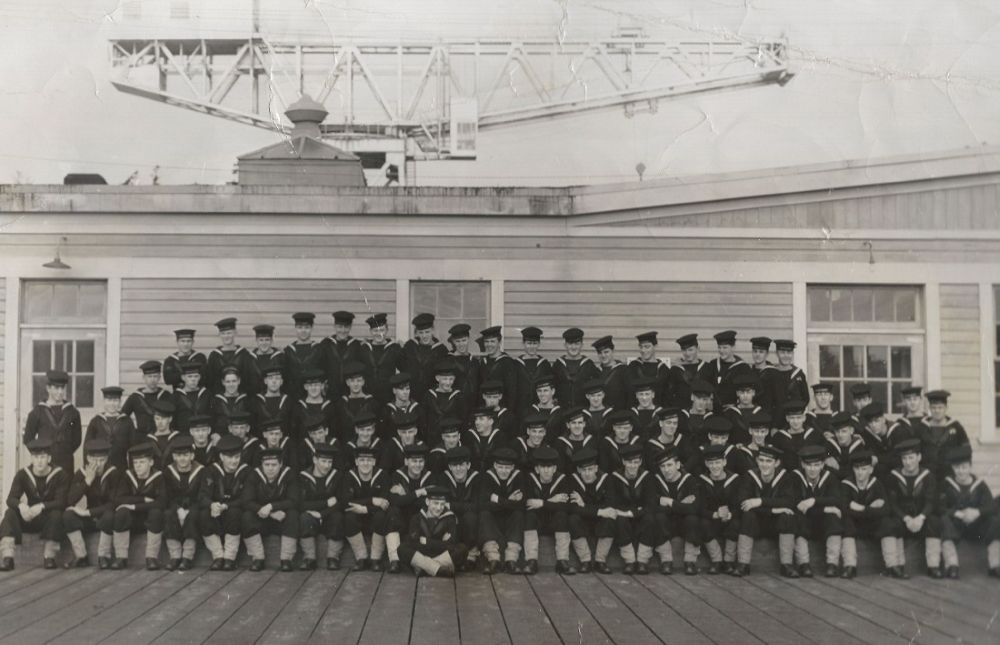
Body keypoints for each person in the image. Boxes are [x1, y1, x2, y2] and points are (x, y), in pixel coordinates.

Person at [0, 438, 68, 571]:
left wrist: (42, 506)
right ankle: (8, 557)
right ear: (31, 458)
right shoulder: (23, 474)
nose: (39, 461)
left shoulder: (60, 475)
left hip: (47, 520)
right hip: (29, 517)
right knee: (10, 513)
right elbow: (10, 499)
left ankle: (49, 557)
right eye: (36, 457)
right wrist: (22, 506)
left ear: (49, 458)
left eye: (43, 457)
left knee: (57, 514)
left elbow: (61, 502)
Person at [733, 444, 796, 577]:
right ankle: (743, 564)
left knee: (787, 515)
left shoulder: (785, 477)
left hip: (775, 525)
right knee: (748, 515)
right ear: (757, 461)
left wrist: (760, 501)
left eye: (769, 461)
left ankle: (786, 565)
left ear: (776, 463)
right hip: (755, 524)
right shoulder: (750, 476)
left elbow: (789, 502)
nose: (764, 464)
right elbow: (743, 503)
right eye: (761, 460)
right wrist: (772, 510)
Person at [938, 444, 999, 579]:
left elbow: (991, 506)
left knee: (994, 521)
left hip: (976, 527)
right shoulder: (946, 484)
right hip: (956, 526)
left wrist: (977, 512)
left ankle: (995, 564)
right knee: (943, 520)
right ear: (952, 468)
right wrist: (958, 514)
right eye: (957, 468)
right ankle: (952, 564)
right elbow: (940, 506)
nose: (961, 471)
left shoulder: (980, 485)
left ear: (970, 467)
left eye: (964, 467)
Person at [838, 449, 898, 579]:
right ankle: (850, 566)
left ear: (871, 469)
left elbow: (886, 509)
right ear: (853, 469)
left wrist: (862, 508)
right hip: (854, 526)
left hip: (872, 527)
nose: (860, 472)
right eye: (857, 469)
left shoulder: (877, 484)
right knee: (846, 521)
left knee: (887, 522)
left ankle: (892, 565)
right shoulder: (846, 484)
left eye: (864, 469)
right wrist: (872, 509)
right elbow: (844, 510)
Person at [886, 438, 941, 578]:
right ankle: (896, 565)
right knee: (890, 524)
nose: (908, 462)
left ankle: (933, 565)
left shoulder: (928, 476)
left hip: (921, 519)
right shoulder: (894, 476)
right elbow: (893, 503)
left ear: (919, 457)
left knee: (934, 522)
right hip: (903, 519)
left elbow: (930, 501)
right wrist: (906, 518)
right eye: (904, 458)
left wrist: (921, 518)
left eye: (911, 457)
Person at [62, 439, 119, 568]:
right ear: (88, 458)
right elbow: (70, 500)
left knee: (110, 514)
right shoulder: (81, 473)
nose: (98, 464)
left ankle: (103, 556)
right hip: (90, 520)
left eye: (101, 460)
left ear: (107, 459)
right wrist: (87, 481)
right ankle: (81, 556)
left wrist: (88, 512)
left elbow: (113, 503)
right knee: (68, 515)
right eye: (94, 460)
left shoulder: (113, 473)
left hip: (106, 518)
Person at [241, 447, 300, 571]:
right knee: (247, 516)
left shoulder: (289, 474)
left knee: (293, 514)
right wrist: (270, 513)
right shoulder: (254, 475)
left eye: (274, 465)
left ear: (281, 464)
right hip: (262, 519)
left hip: (281, 520)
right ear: (262, 464)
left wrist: (271, 506)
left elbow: (294, 500)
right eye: (266, 465)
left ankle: (286, 559)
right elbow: (246, 501)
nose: (270, 468)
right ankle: (258, 558)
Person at [790, 445, 844, 578]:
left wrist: (814, 500)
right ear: (803, 464)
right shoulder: (795, 477)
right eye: (809, 465)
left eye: (816, 465)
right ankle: (804, 564)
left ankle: (832, 564)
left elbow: (837, 500)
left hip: (823, 525)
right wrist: (825, 508)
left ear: (822, 465)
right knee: (797, 518)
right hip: (804, 523)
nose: (812, 469)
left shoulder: (830, 477)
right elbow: (797, 505)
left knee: (833, 517)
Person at [198, 434, 250, 570]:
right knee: (203, 514)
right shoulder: (211, 470)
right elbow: (203, 495)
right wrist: (212, 504)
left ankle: (229, 557)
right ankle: (218, 556)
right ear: (221, 457)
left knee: (234, 513)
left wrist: (227, 505)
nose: (234, 461)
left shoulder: (246, 471)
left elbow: (246, 498)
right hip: (216, 511)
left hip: (234, 511)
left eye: (237, 457)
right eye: (230, 457)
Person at [647, 447, 702, 575]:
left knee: (692, 518)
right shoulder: (655, 481)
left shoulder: (690, 480)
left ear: (678, 465)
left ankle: (690, 561)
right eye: (662, 466)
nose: (666, 470)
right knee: (659, 517)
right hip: (666, 526)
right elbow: (651, 507)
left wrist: (670, 502)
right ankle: (666, 561)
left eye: (669, 465)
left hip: (684, 526)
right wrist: (681, 506)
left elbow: (694, 509)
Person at [112, 442, 166, 570]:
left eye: (142, 462)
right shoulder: (128, 476)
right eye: (135, 462)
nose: (138, 466)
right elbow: (118, 499)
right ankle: (121, 557)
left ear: (151, 462)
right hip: (132, 520)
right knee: (122, 512)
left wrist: (134, 507)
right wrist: (143, 499)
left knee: (156, 512)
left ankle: (151, 557)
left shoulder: (158, 477)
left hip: (150, 520)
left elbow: (162, 502)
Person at [522, 445, 573, 574]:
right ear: (537, 469)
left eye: (549, 467)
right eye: (542, 467)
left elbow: (566, 506)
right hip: (536, 523)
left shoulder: (562, 479)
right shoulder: (529, 479)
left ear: (554, 468)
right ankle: (531, 561)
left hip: (554, 523)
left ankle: (562, 560)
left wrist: (542, 503)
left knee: (562, 514)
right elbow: (527, 503)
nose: (546, 471)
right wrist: (551, 501)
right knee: (530, 515)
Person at [567, 447, 618, 574]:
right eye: (584, 470)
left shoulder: (606, 479)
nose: (587, 473)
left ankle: (601, 561)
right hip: (583, 522)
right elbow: (572, 508)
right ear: (578, 470)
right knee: (573, 518)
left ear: (596, 468)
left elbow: (610, 506)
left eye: (590, 469)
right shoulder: (573, 480)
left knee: (610, 519)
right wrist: (598, 511)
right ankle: (585, 560)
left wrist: (583, 505)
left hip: (601, 522)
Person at [385, 444, 434, 573]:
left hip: (419, 519)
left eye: (420, 461)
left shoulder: (429, 476)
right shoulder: (398, 475)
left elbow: (428, 504)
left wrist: (406, 497)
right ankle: (394, 560)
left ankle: (418, 561)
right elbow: (395, 501)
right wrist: (418, 493)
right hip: (402, 519)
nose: (417, 465)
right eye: (414, 461)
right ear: (406, 461)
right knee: (392, 512)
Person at [23, 369, 83, 475]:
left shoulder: (72, 412)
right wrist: (40, 455)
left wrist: (65, 451)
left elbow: (77, 439)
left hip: (66, 462)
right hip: (45, 464)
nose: (60, 392)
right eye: (56, 388)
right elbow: (28, 438)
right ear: (48, 388)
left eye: (62, 388)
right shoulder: (38, 411)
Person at [398, 484, 465, 577]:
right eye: (435, 503)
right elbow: (414, 542)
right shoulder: (416, 518)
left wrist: (425, 541)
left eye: (442, 504)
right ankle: (438, 569)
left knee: (462, 549)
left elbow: (451, 544)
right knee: (402, 548)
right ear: (427, 502)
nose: (439, 508)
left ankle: (425, 569)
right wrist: (440, 543)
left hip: (439, 555)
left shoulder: (450, 518)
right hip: (422, 554)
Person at [342, 445, 391, 571]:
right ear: (356, 462)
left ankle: (376, 558)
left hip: (374, 518)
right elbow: (346, 502)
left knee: (382, 515)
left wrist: (365, 509)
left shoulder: (382, 475)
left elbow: (385, 503)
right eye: (362, 460)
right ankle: (361, 558)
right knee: (349, 516)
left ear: (374, 462)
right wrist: (371, 500)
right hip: (357, 520)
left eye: (369, 460)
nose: (365, 463)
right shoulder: (349, 476)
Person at [298, 443, 346, 570]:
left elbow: (341, 502)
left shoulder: (337, 476)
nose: (327, 465)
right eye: (323, 461)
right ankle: (309, 558)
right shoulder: (304, 477)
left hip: (329, 515)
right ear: (315, 460)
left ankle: (333, 558)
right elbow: (300, 504)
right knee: (304, 517)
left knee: (337, 516)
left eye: (330, 462)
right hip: (311, 517)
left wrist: (321, 514)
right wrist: (325, 503)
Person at [162, 435, 206, 570]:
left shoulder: (201, 471)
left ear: (192, 456)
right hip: (175, 505)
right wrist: (178, 508)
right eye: (179, 455)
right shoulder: (168, 471)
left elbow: (202, 495)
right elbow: (167, 496)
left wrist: (188, 509)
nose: (182, 458)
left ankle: (187, 556)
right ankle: (175, 556)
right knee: (169, 515)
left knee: (193, 516)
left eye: (186, 455)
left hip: (195, 505)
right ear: (174, 457)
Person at [610, 443, 656, 574]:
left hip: (640, 515)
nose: (633, 466)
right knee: (620, 520)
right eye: (629, 462)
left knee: (650, 518)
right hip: (623, 516)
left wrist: (632, 513)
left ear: (640, 462)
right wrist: (626, 512)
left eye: (636, 462)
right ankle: (629, 560)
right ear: (623, 462)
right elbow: (612, 501)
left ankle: (642, 561)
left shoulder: (647, 477)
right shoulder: (614, 477)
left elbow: (651, 504)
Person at [479, 447, 525, 574]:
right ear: (495, 465)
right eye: (500, 467)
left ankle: (511, 559)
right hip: (493, 519)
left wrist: (496, 499)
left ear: (512, 467)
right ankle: (493, 559)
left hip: (511, 519)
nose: (504, 471)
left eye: (507, 468)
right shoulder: (488, 476)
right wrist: (508, 501)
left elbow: (521, 505)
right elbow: (482, 505)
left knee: (519, 514)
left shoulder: (518, 476)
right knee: (484, 514)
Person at [437, 446, 482, 572]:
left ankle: (471, 555)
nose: (458, 469)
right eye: (454, 465)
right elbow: (442, 505)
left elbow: (477, 506)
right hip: (452, 518)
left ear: (468, 465)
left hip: (470, 520)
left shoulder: (477, 478)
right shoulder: (444, 478)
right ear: (449, 467)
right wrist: (458, 508)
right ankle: (455, 556)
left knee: (470, 517)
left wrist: (452, 506)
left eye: (461, 465)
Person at [698, 444, 741, 574]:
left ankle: (728, 561)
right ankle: (716, 560)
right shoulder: (701, 481)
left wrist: (730, 514)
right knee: (703, 523)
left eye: (717, 462)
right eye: (711, 463)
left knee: (736, 523)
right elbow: (699, 507)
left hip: (729, 519)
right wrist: (715, 514)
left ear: (724, 462)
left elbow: (739, 505)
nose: (715, 466)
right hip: (712, 520)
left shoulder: (735, 480)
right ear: (706, 464)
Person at [918, 390, 971, 480]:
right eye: (934, 408)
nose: (937, 411)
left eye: (940, 407)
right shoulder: (922, 427)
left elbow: (966, 450)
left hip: (950, 474)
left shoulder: (956, 426)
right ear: (929, 408)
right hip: (927, 474)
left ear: (946, 408)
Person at [320, 311, 369, 400]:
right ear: (334, 326)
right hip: (330, 391)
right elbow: (321, 366)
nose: (343, 330)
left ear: (350, 327)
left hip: (350, 392)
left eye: (346, 327)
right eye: (340, 327)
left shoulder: (356, 345)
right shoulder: (326, 344)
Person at [86, 386, 136, 470]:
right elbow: (87, 447)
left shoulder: (127, 421)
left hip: (121, 466)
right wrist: (89, 468)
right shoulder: (96, 421)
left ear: (120, 402)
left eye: (115, 400)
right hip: (100, 468)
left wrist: (132, 470)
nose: (112, 404)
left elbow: (133, 448)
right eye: (109, 400)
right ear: (104, 401)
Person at [205, 317, 259, 396]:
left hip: (241, 398)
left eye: (229, 333)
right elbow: (210, 382)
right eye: (223, 333)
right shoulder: (214, 356)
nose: (226, 336)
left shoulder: (244, 355)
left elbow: (250, 380)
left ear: (235, 333)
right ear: (219, 335)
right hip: (220, 399)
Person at [361, 313, 404, 406]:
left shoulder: (395, 348)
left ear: (387, 330)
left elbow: (404, 369)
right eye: (375, 330)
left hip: (388, 396)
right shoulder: (364, 349)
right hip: (368, 395)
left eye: (382, 330)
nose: (379, 334)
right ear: (370, 331)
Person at [402, 313, 449, 398]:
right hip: (411, 394)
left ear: (433, 330)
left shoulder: (441, 350)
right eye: (421, 332)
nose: (424, 336)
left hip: (432, 395)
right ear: (417, 333)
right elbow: (402, 366)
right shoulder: (410, 346)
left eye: (427, 332)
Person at [552, 328, 600, 408]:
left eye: (577, 344)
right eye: (570, 344)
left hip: (583, 410)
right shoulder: (558, 365)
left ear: (582, 345)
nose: (573, 347)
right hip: (562, 410)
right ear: (565, 345)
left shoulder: (589, 365)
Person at [703, 330, 751, 411]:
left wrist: (736, 405)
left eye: (725, 347)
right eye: (719, 347)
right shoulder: (713, 365)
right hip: (714, 410)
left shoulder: (743, 368)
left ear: (733, 347)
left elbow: (747, 392)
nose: (721, 351)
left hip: (734, 410)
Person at [477, 326, 520, 416]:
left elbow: (512, 392)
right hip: (486, 411)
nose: (489, 345)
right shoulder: (483, 363)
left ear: (499, 342)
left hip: (502, 411)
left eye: (492, 341)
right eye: (486, 342)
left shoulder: (508, 363)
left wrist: (508, 413)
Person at [766, 340, 809, 427]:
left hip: (794, 423)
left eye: (789, 352)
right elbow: (767, 402)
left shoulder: (799, 374)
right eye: (782, 352)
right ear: (777, 353)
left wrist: (796, 415)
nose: (786, 356)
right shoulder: (771, 373)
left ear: (792, 354)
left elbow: (805, 399)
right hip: (775, 421)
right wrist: (773, 425)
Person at [123, 361, 171, 437]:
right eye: (149, 376)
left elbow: (173, 417)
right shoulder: (135, 397)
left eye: (155, 376)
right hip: (142, 437)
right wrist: (132, 433)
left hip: (161, 437)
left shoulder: (166, 395)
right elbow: (123, 417)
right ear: (144, 378)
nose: (152, 380)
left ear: (159, 377)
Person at [424, 361, 467, 442]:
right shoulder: (429, 396)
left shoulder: (458, 396)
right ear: (437, 378)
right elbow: (425, 419)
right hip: (433, 437)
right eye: (445, 379)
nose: (448, 382)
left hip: (451, 437)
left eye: (451, 379)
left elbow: (463, 419)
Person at [284, 312, 324, 399]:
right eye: (300, 327)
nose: (303, 331)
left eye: (307, 327)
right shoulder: (288, 351)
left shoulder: (319, 349)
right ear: (295, 328)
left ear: (312, 328)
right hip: (293, 396)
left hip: (314, 396)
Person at [336, 362, 378, 444]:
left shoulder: (372, 403)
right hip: (346, 443)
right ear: (347, 383)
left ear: (363, 382)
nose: (355, 384)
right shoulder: (341, 404)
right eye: (352, 381)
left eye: (359, 380)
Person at [626, 331, 671, 407]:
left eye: (647, 347)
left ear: (655, 346)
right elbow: (629, 394)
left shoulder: (663, 369)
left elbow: (666, 397)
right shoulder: (633, 367)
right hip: (637, 410)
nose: (643, 350)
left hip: (658, 411)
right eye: (641, 347)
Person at [513, 326, 551, 412]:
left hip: (540, 408)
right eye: (529, 343)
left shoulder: (544, 364)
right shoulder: (516, 364)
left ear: (539, 344)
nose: (532, 346)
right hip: (520, 408)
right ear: (523, 343)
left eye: (534, 343)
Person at [293, 368, 336, 443]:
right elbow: (294, 432)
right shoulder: (299, 406)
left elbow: (333, 432)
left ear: (322, 386)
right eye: (310, 385)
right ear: (305, 387)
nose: (313, 388)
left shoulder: (329, 406)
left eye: (316, 385)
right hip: (303, 447)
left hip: (325, 447)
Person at [668, 334, 709, 409]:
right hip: (681, 409)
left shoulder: (707, 368)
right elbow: (669, 394)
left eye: (690, 350)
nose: (687, 353)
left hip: (702, 410)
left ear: (698, 349)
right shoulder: (675, 369)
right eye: (684, 350)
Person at [173, 361, 212, 434]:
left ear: (199, 377)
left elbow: (212, 415)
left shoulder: (206, 394)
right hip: (183, 434)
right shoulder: (176, 396)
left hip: (202, 433)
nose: (193, 379)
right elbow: (173, 419)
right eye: (190, 376)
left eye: (196, 376)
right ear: (183, 377)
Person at [211, 367, 250, 439]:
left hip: (242, 437)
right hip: (222, 437)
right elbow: (212, 421)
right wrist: (214, 434)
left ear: (239, 381)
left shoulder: (246, 400)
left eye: (234, 381)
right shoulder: (216, 401)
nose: (231, 384)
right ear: (223, 382)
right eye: (228, 382)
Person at [252, 365, 291, 436]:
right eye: (270, 378)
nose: (274, 381)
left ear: (281, 382)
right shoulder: (257, 401)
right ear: (265, 381)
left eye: (277, 378)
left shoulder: (288, 401)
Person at [592, 335, 629, 411]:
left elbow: (630, 396)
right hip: (601, 414)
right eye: (600, 353)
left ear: (612, 351)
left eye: (606, 352)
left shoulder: (624, 370)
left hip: (619, 413)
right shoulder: (595, 372)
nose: (603, 355)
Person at [554, 407, 596, 473]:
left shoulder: (591, 441)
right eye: (573, 423)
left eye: (580, 422)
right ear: (568, 425)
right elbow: (560, 468)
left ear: (584, 424)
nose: (577, 426)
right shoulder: (561, 443)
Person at [598, 409, 641, 473]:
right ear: (613, 427)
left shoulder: (637, 442)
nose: (622, 431)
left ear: (631, 428)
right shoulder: (606, 444)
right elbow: (604, 468)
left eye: (626, 428)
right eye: (619, 428)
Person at [446, 323, 479, 405]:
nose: (461, 344)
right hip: (454, 404)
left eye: (464, 340)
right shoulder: (448, 361)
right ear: (453, 341)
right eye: (458, 341)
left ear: (468, 339)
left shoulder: (475, 362)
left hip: (473, 404)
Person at [251, 324, 286, 395]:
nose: (264, 343)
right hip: (255, 397)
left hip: (275, 397)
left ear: (272, 340)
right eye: (261, 340)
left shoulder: (280, 358)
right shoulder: (250, 358)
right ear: (256, 340)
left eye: (267, 340)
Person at [748, 336, 776, 413]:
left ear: (767, 354)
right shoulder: (748, 372)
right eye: (755, 351)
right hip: (751, 414)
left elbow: (778, 401)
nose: (757, 354)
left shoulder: (774, 374)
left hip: (768, 415)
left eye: (761, 352)